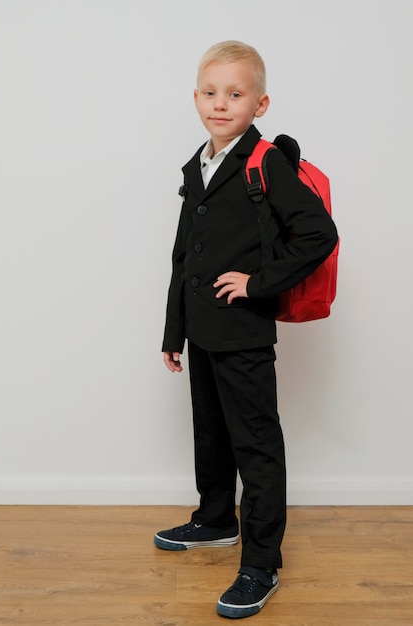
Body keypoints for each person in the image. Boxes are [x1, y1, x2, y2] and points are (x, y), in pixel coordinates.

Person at [155, 40, 338, 619]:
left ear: (260, 105)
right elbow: (184, 254)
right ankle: (214, 520)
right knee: (210, 431)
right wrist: (172, 331)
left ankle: (261, 562)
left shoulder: (267, 161)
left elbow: (318, 234)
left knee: (256, 445)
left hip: (244, 332)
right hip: (203, 331)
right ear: (195, 97)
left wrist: (258, 283)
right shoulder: (199, 162)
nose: (220, 103)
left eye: (235, 94)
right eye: (210, 92)